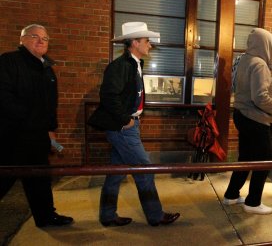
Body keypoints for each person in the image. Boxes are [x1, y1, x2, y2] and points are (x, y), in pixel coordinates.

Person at [88, 22, 180, 227]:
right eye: (147, 41)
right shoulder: (120, 66)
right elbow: (108, 96)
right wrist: (126, 120)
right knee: (145, 169)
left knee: (115, 173)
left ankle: (107, 215)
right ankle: (155, 216)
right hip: (123, 129)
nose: (150, 45)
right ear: (135, 42)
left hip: (127, 127)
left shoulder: (134, 64)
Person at [0, 24, 73, 227]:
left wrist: (50, 131)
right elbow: (3, 98)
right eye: (35, 36)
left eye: (45, 38)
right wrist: (29, 121)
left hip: (38, 136)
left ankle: (46, 217)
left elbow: (51, 105)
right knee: (4, 178)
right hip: (11, 136)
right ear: (21, 40)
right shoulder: (8, 62)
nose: (41, 41)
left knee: (40, 179)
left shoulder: (47, 69)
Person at [223, 28, 272, 215]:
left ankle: (231, 194)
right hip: (255, 119)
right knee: (264, 161)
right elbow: (260, 98)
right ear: (265, 44)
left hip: (241, 115)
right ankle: (253, 202)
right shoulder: (260, 64)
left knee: (245, 158)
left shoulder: (243, 60)